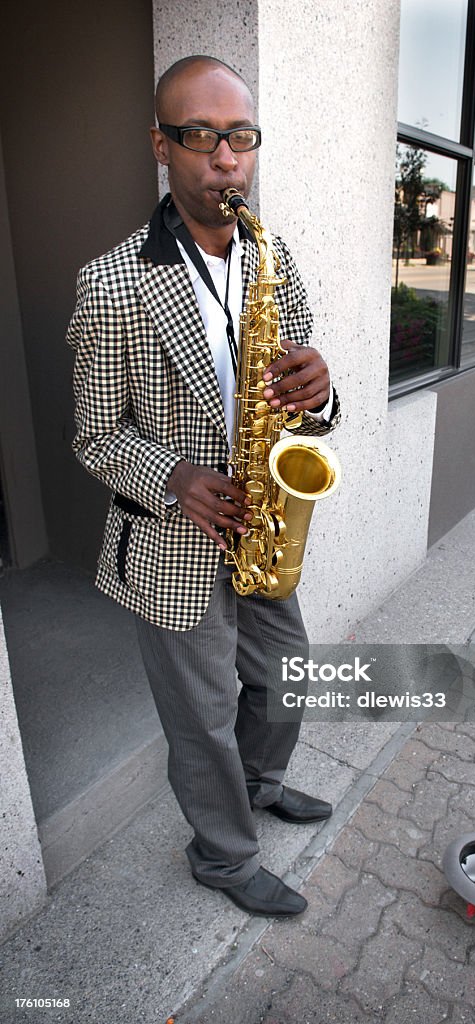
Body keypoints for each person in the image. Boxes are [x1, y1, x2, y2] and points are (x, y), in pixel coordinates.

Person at [66, 55, 340, 918]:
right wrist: (175, 476)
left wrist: (320, 391)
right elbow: (93, 437)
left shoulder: (271, 252)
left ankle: (258, 789)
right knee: (205, 713)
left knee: (286, 674)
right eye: (201, 136)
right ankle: (223, 858)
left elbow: (297, 382)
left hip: (261, 521)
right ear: (162, 144)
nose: (226, 158)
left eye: (241, 137)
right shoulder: (111, 283)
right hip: (173, 542)